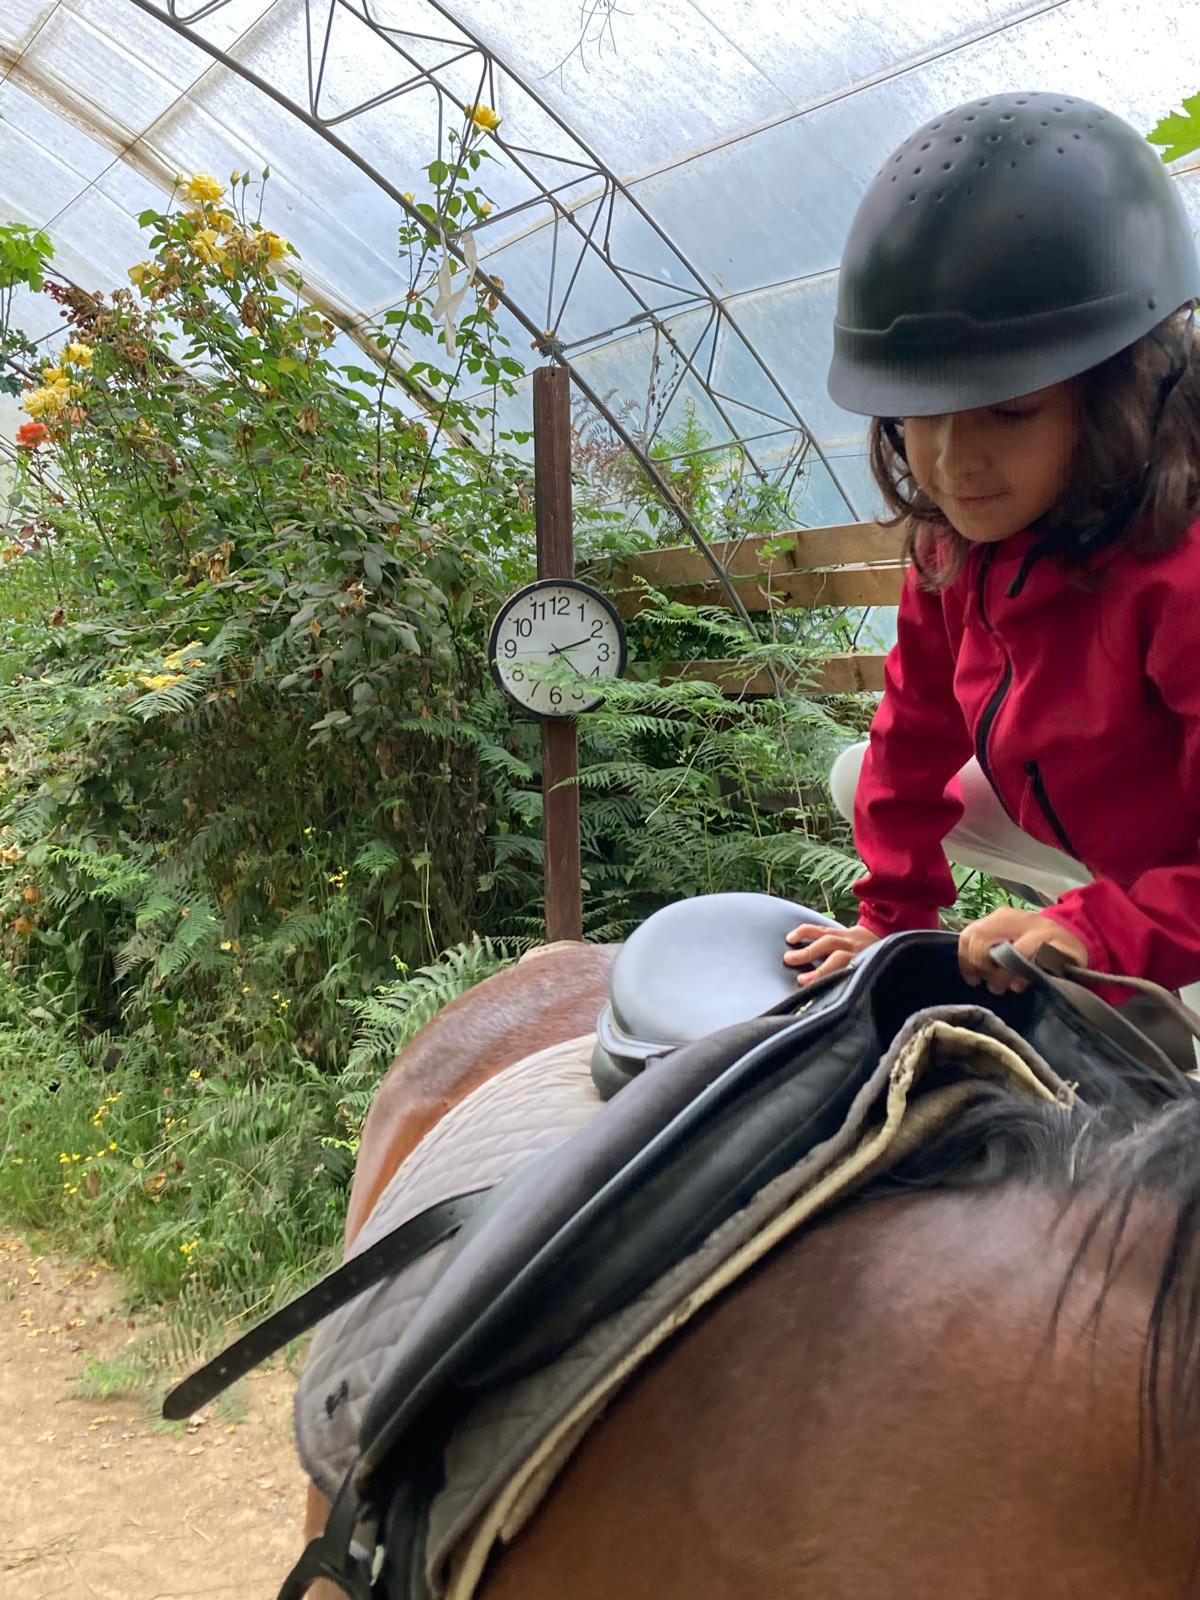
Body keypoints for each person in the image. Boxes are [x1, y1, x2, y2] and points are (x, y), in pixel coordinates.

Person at [783, 90, 1200, 1006]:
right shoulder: (952, 542)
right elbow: (912, 727)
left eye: (1009, 412)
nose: (951, 463)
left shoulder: (1181, 571)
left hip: (1186, 857)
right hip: (1070, 815)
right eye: (917, 413)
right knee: (861, 777)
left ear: (1123, 390)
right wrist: (890, 922)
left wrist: (1102, 935)